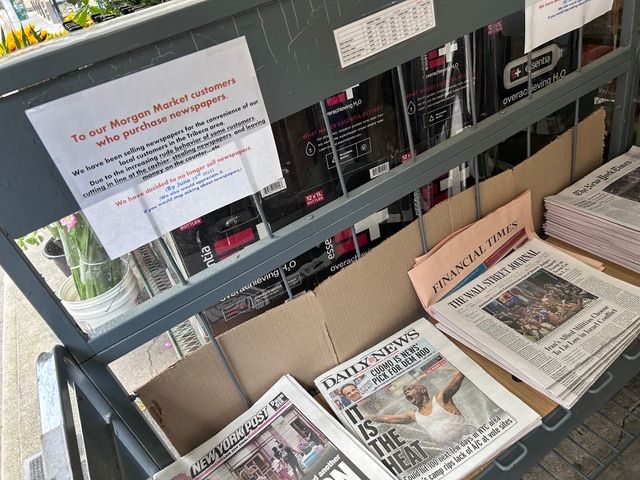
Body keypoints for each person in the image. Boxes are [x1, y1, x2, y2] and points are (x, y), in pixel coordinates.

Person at [367, 371, 475, 447]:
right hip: (453, 449)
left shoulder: (440, 398)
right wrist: (368, 417)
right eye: (405, 393)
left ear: (423, 390)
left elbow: (457, 377)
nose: (406, 393)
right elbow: (388, 419)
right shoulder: (413, 415)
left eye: (409, 389)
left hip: (471, 438)